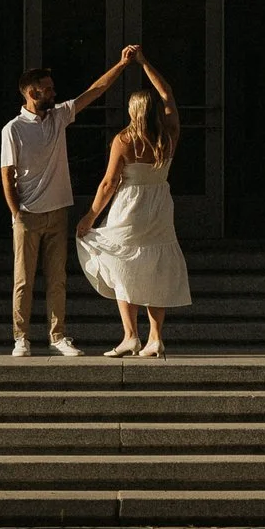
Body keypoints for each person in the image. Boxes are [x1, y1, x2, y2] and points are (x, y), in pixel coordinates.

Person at [0, 46, 132, 356]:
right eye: (48, 89)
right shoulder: (13, 129)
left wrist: (122, 64)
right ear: (33, 92)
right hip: (28, 215)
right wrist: (15, 213)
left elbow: (95, 91)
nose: (53, 92)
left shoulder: (59, 116)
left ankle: (57, 336)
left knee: (57, 278)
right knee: (24, 280)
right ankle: (21, 337)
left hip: (58, 211)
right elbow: (7, 175)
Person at [74, 47, 192, 357]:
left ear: (133, 111)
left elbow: (109, 183)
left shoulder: (124, 140)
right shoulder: (169, 135)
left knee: (123, 264)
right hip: (159, 206)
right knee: (156, 267)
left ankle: (131, 335)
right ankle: (155, 337)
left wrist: (90, 216)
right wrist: (144, 62)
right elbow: (166, 93)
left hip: (130, 207)